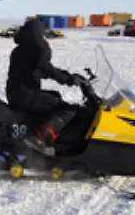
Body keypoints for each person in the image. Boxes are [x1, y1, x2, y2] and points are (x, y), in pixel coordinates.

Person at [5, 17, 85, 156]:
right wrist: (68, 79)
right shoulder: (34, 49)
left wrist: (68, 76)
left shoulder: (22, 48)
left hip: (17, 92)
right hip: (24, 94)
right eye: (42, 33)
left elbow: (38, 71)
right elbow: (46, 69)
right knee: (66, 109)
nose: (44, 37)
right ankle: (38, 139)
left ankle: (40, 130)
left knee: (55, 96)